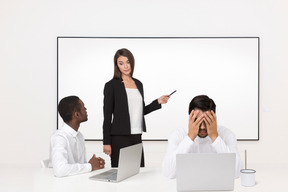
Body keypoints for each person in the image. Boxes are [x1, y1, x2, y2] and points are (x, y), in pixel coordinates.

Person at [103, 48, 170, 167]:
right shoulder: (111, 86)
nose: (125, 66)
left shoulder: (138, 84)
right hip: (119, 137)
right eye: (121, 63)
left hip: (136, 136)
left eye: (128, 62)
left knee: (139, 172)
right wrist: (106, 142)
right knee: (119, 173)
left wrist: (158, 102)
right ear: (116, 65)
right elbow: (107, 116)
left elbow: (141, 111)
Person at [162, 95, 242, 179]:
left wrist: (215, 137)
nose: (203, 127)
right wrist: (189, 137)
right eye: (198, 120)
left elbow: (237, 173)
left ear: (214, 118)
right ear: (190, 118)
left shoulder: (227, 134)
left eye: (207, 121)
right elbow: (169, 173)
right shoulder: (178, 135)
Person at [49, 96, 105, 177]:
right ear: (77, 114)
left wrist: (94, 164)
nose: (86, 109)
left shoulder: (79, 136)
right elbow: (60, 170)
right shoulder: (59, 137)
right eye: (83, 107)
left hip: (76, 181)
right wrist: (90, 166)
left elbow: (80, 166)